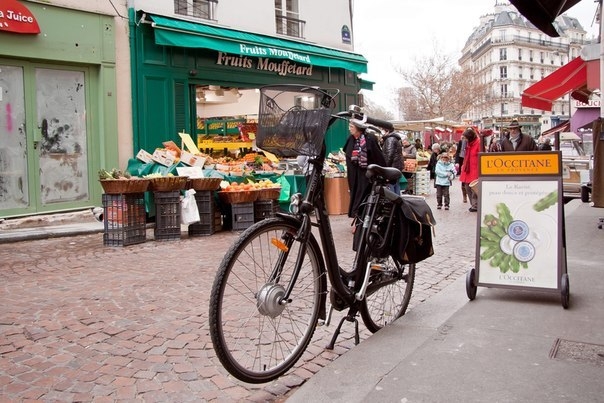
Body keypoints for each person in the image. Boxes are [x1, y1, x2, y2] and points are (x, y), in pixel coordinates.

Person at [344, 119, 387, 224]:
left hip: (366, 175)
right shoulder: (350, 139)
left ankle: (362, 220)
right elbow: (348, 154)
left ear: (359, 128)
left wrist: (383, 172)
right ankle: (358, 218)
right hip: (354, 175)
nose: (349, 129)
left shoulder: (370, 139)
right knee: (355, 196)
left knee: (364, 197)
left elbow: (378, 157)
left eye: (351, 127)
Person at [459, 127, 480, 212]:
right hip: (468, 168)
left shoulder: (478, 143)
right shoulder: (467, 144)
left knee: (474, 188)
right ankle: (473, 204)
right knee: (467, 187)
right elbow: (462, 154)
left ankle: (475, 205)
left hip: (475, 169)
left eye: (466, 138)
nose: (465, 140)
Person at [381, 128, 404, 194]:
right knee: (396, 184)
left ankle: (393, 202)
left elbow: (389, 155)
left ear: (387, 131)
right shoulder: (395, 139)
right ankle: (398, 202)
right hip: (396, 167)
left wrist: (385, 170)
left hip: (392, 167)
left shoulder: (390, 139)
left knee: (391, 185)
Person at [455, 137, 468, 203]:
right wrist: (457, 162)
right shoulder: (461, 141)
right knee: (463, 179)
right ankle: (464, 196)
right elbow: (458, 152)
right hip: (462, 161)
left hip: (470, 162)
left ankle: (469, 193)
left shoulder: (473, 142)